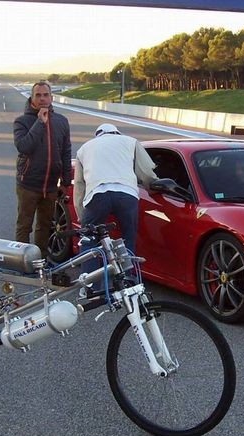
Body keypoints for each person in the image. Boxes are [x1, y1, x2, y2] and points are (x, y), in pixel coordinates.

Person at [73, 123, 157, 286]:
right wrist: (151, 186)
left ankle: (92, 286)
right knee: (128, 238)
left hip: (97, 195)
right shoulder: (130, 142)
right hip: (126, 194)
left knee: (89, 239)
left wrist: (81, 215)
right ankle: (126, 282)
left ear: (97, 135)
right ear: (117, 133)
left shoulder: (84, 149)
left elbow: (79, 185)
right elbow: (147, 173)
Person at [12, 81, 72, 255]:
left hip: (51, 186)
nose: (42, 98)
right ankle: (21, 261)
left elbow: (66, 151)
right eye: (38, 95)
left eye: (46, 95)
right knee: (24, 226)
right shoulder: (22, 121)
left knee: (45, 226)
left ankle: (41, 262)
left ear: (51, 97)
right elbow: (24, 146)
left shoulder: (61, 121)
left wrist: (66, 182)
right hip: (28, 184)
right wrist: (40, 122)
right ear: (32, 98)